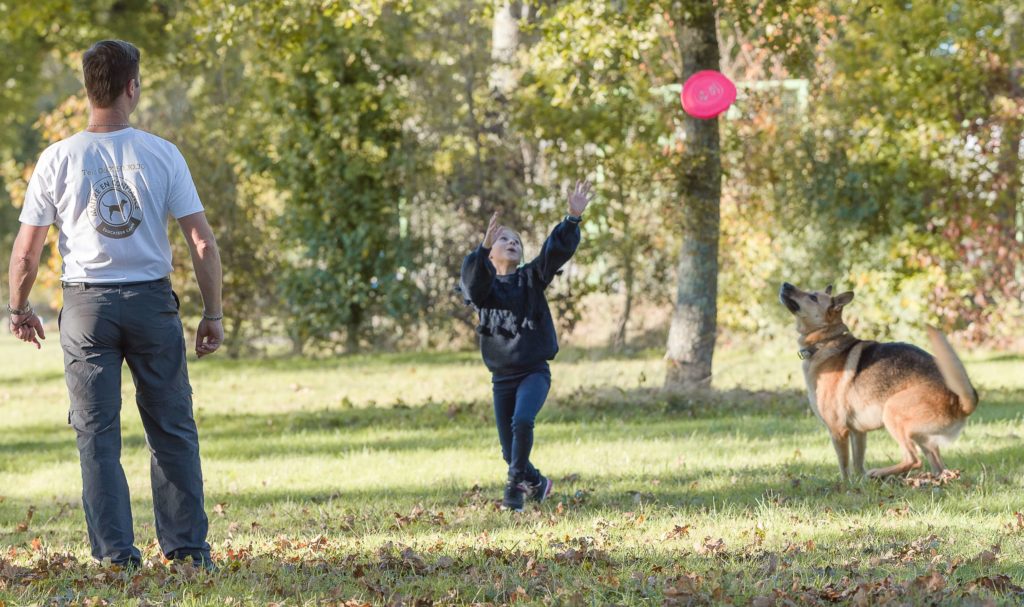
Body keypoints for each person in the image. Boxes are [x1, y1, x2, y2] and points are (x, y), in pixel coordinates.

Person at [6, 40, 223, 569]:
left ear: (88, 89)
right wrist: (212, 313)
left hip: (85, 311)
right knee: (171, 428)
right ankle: (189, 552)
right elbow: (202, 242)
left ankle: (115, 556)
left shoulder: (57, 158)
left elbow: (26, 252)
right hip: (152, 304)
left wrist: (18, 308)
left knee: (97, 435)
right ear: (132, 87)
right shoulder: (162, 153)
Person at [459, 180, 593, 511]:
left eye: (516, 241)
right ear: (491, 250)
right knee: (510, 452)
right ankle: (537, 482)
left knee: (522, 422)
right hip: (501, 378)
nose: (511, 243)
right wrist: (481, 250)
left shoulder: (531, 278)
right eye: (504, 239)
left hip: (533, 372)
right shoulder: (483, 286)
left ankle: (515, 488)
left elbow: (553, 252)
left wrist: (571, 218)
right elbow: (473, 284)